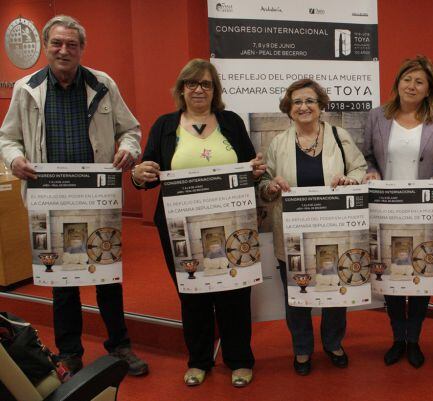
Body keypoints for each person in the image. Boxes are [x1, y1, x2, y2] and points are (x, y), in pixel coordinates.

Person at [0, 15, 147, 376]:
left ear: (82, 48)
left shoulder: (103, 84)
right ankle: (69, 353)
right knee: (61, 283)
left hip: (96, 198)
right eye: (57, 43)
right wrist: (15, 159)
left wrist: (129, 149)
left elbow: (130, 130)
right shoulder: (27, 88)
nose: (64, 50)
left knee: (107, 276)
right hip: (49, 199)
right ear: (47, 47)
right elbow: (7, 137)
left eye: (72, 44)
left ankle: (120, 347)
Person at [131, 59, 265, 387]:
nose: (198, 89)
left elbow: (250, 165)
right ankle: (199, 359)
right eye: (191, 83)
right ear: (181, 89)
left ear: (215, 90)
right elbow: (147, 175)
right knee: (192, 292)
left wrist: (257, 170)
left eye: (206, 84)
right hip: (181, 225)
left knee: (235, 290)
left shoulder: (231, 122)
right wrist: (137, 175)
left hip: (231, 222)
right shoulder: (165, 125)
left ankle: (239, 359)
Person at [258, 79, 367, 376]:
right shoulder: (279, 143)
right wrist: (272, 186)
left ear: (320, 106)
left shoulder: (339, 136)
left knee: (335, 290)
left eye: (310, 101)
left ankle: (333, 343)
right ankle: (302, 349)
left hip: (334, 232)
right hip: (292, 234)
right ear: (289, 109)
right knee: (297, 295)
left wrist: (351, 181)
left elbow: (359, 168)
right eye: (297, 102)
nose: (303, 107)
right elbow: (264, 184)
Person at [362, 55, 433, 368]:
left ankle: (415, 339)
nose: (412, 86)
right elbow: (368, 156)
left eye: (419, 81)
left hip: (424, 213)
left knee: (421, 277)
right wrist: (370, 172)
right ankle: (398, 337)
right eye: (407, 79)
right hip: (386, 212)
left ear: (428, 90)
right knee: (393, 277)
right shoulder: (376, 117)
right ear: (397, 83)